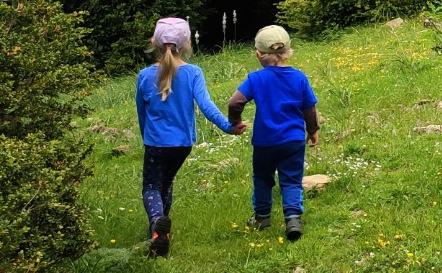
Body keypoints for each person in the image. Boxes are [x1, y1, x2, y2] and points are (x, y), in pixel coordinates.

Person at [136, 17, 245, 257]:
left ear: (154, 42)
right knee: (166, 182)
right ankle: (159, 233)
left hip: (155, 142)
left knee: (151, 186)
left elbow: (141, 113)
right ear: (186, 44)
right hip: (182, 144)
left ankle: (157, 224)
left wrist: (147, 137)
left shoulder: (144, 76)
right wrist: (229, 127)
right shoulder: (194, 72)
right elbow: (207, 106)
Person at [227, 25, 319, 241]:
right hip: (293, 140)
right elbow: (310, 109)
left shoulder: (256, 79)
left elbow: (235, 102)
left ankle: (262, 217)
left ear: (259, 54)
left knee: (262, 178)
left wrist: (236, 121)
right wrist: (312, 130)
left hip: (265, 141)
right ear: (288, 52)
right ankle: (293, 219)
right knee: (291, 180)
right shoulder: (299, 77)